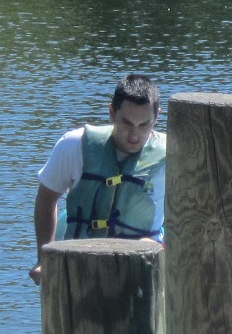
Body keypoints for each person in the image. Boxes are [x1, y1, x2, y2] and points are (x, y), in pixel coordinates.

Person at [29, 75, 166, 285]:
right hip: (77, 264)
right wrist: (43, 258)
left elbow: (192, 217)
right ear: (111, 113)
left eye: (144, 124)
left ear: (157, 116)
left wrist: (161, 247)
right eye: (126, 123)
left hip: (144, 270)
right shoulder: (74, 145)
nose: (134, 134)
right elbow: (47, 199)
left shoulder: (173, 155)